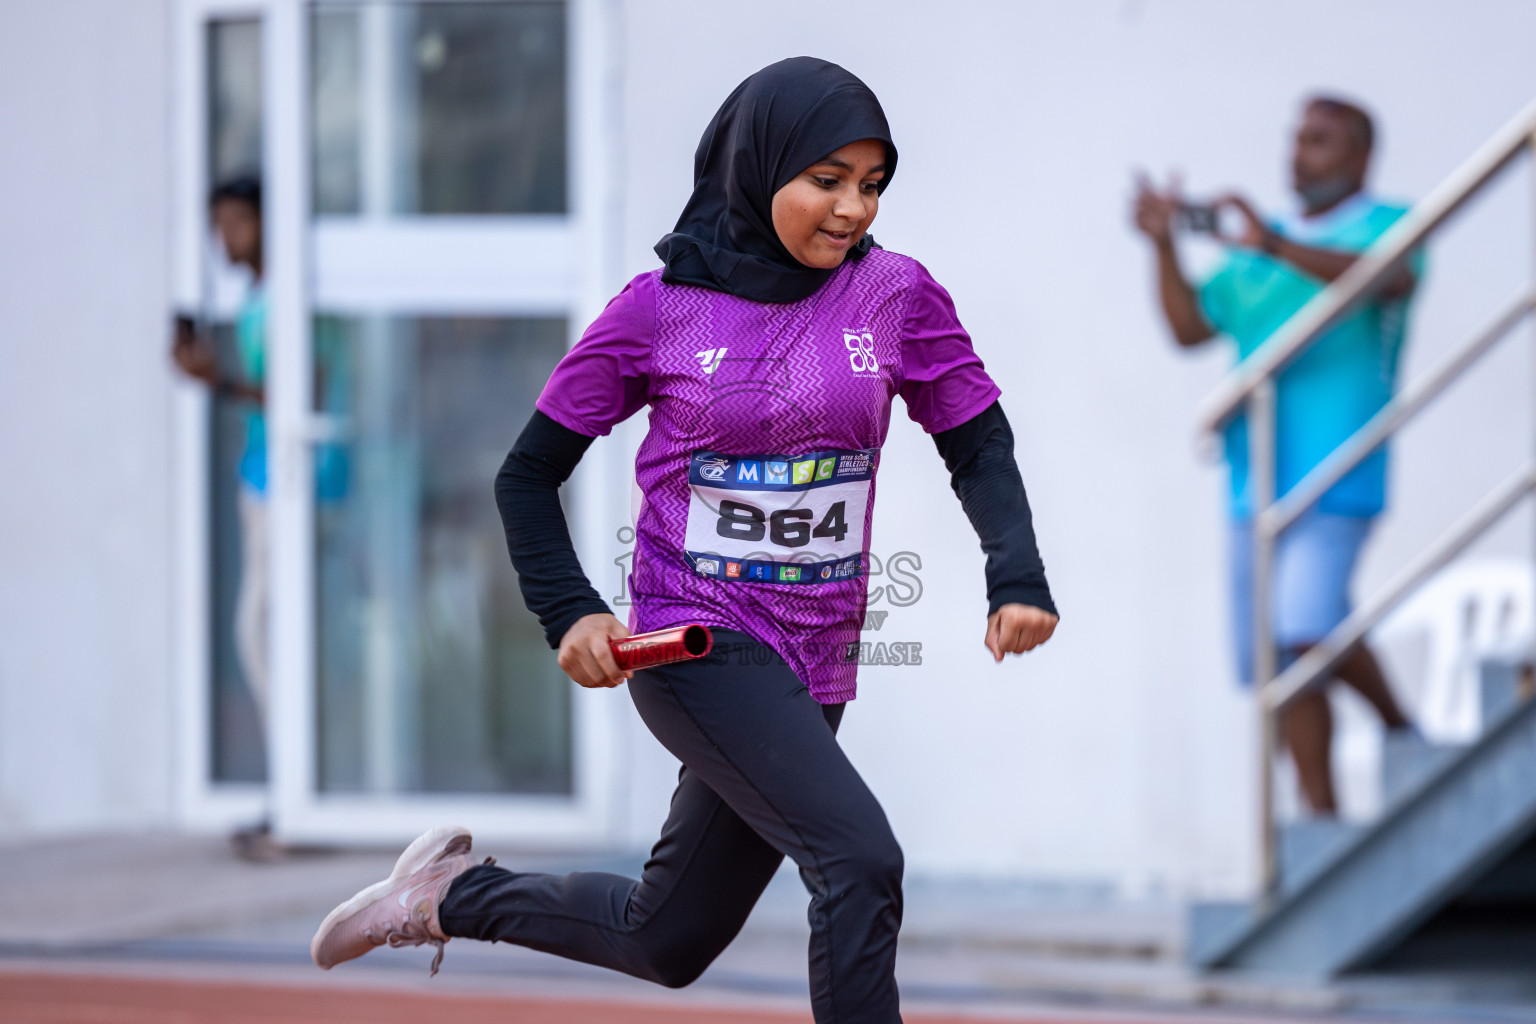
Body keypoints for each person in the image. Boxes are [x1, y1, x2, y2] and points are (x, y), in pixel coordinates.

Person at [309, 57, 1058, 1022]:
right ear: (758, 168)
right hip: (696, 644)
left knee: (665, 938)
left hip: (815, 660)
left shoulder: (898, 297)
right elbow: (526, 475)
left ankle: (445, 898)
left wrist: (1017, 576)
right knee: (859, 859)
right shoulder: (658, 310)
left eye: (872, 185)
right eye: (825, 181)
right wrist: (568, 607)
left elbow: (978, 441)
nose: (853, 209)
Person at [1133, 96, 1419, 816]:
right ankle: (1319, 823)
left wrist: (1274, 246)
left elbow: (1391, 277)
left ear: (1360, 154)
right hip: (1252, 481)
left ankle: (1404, 734)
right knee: (1282, 664)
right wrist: (1164, 244)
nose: (1299, 154)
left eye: (1319, 142)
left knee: (1306, 625)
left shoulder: (1385, 226)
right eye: (1297, 140)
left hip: (1338, 470)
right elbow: (1192, 326)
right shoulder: (1260, 245)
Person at [171, 176, 276, 856]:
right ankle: (288, 793)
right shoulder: (256, 297)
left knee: (259, 633)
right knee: (263, 634)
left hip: (294, 485)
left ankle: (295, 794)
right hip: (261, 478)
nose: (225, 239)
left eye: (237, 221)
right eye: (218, 224)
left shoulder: (287, 296)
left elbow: (300, 389)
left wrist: (219, 381)